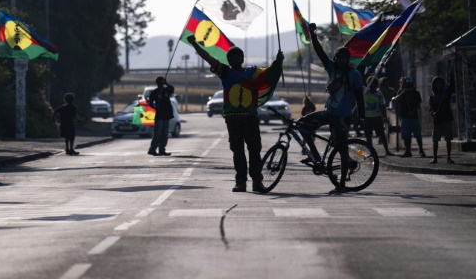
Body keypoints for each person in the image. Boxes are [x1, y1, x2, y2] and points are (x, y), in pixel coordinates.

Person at [186, 34, 283, 193]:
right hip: (233, 119)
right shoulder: (224, 72)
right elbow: (208, 58)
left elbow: (270, 74)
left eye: (238, 57)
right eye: (232, 57)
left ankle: (257, 181)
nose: (235, 60)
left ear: (243, 59)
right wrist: (195, 44)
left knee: (254, 150)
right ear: (228, 60)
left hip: (250, 117)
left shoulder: (254, 73)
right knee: (237, 152)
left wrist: (278, 62)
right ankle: (241, 182)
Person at [299, 23, 365, 194]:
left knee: (341, 149)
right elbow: (320, 52)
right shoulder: (331, 68)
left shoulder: (354, 74)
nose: (342, 60)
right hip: (329, 113)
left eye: (345, 57)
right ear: (336, 59)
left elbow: (359, 96)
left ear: (348, 59)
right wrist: (313, 35)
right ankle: (316, 158)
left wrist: (361, 116)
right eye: (339, 57)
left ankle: (341, 184)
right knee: (302, 125)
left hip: (343, 117)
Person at [393, 76, 426, 158]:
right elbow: (396, 99)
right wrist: (403, 93)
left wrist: (413, 111)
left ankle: (421, 149)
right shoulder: (401, 92)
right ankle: (408, 150)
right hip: (404, 116)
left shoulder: (416, 93)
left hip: (414, 117)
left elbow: (418, 104)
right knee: (406, 135)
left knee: (417, 134)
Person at [363, 77, 394, 156]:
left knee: (382, 134)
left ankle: (387, 151)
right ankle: (371, 152)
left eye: (374, 83)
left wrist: (385, 117)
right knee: (369, 136)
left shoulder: (379, 94)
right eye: (371, 83)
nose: (372, 85)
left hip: (376, 117)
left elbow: (382, 106)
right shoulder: (364, 92)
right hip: (367, 117)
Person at [429, 74, 455, 164]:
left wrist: (451, 78)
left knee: (448, 139)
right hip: (437, 120)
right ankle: (435, 158)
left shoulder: (446, 93)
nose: (438, 85)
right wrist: (433, 113)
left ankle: (448, 157)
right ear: (434, 85)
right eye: (437, 83)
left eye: (440, 83)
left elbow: (452, 87)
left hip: (446, 118)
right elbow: (431, 108)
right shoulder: (432, 96)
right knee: (435, 139)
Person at [148, 76, 175, 156]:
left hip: (166, 114)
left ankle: (162, 149)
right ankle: (152, 149)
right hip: (159, 114)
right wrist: (155, 106)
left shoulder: (167, 90)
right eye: (161, 82)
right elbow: (151, 103)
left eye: (163, 82)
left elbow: (172, 89)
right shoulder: (154, 92)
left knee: (165, 133)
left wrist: (166, 83)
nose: (161, 83)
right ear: (157, 83)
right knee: (158, 133)